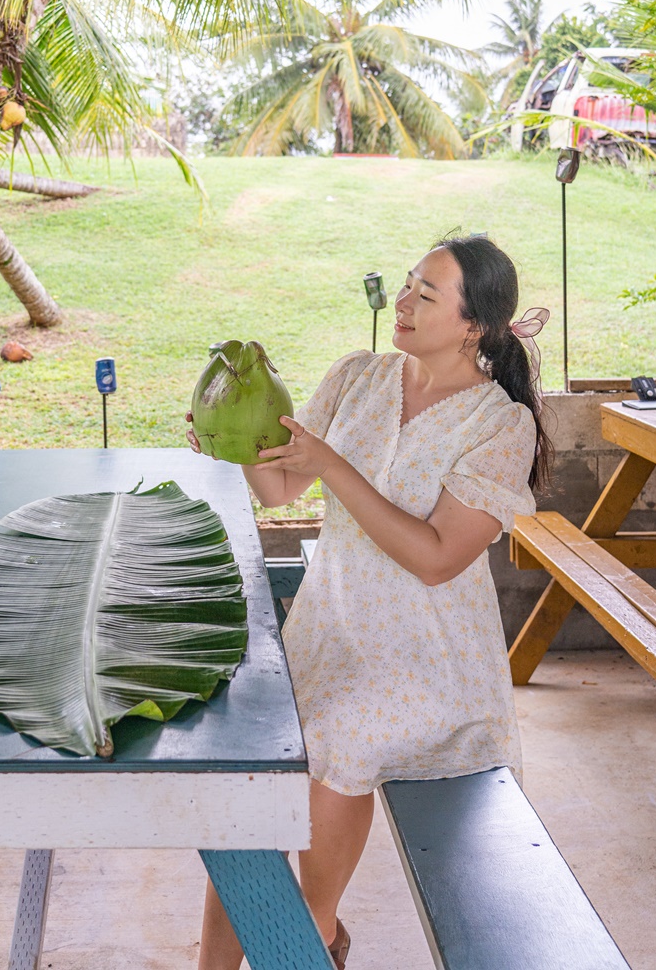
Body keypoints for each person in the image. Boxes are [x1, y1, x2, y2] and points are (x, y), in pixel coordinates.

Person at [187, 234, 551, 970]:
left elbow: (437, 559)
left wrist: (335, 466)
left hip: (428, 661)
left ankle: (310, 935)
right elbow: (283, 487)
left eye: (428, 294)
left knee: (340, 743)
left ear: (474, 325)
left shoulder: (500, 424)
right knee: (241, 798)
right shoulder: (357, 375)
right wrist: (228, 443)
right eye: (408, 284)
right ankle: (231, 960)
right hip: (331, 625)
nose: (406, 302)